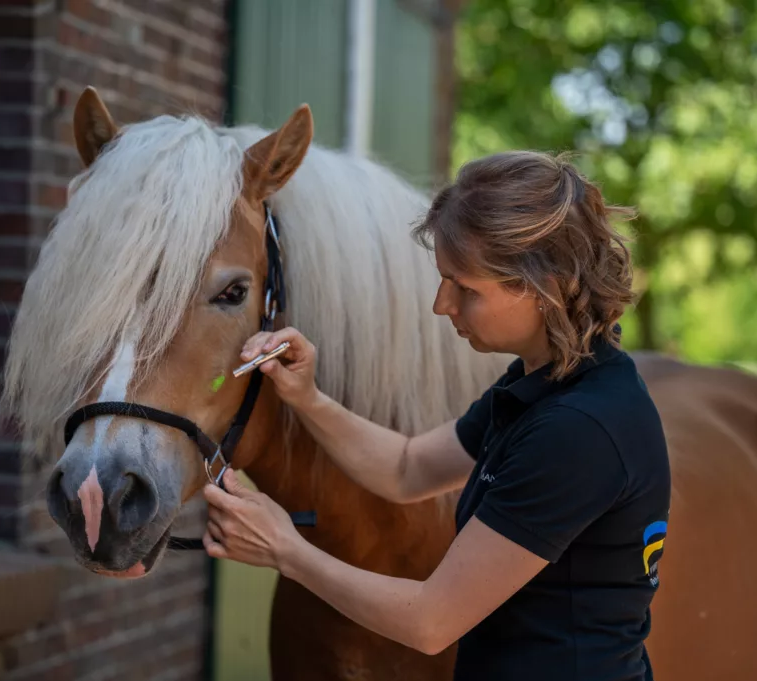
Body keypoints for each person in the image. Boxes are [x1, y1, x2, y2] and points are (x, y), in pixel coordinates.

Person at [202, 150, 672, 681]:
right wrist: (307, 397)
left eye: (464, 288)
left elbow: (432, 620)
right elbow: (408, 469)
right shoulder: (542, 382)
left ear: (545, 288)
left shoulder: (579, 430)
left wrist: (286, 550)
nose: (440, 305)